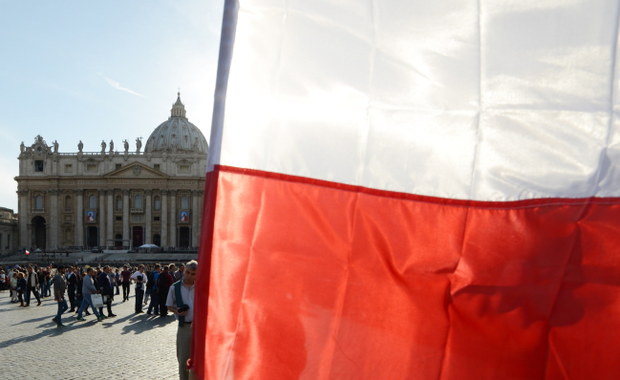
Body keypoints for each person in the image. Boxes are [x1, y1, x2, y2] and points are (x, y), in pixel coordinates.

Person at [167, 260, 198, 380]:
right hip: (184, 326)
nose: (189, 276)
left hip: (200, 328)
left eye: (193, 273)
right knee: (184, 359)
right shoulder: (174, 288)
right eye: (188, 272)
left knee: (200, 360)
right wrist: (177, 311)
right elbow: (169, 306)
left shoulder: (202, 287)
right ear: (184, 270)